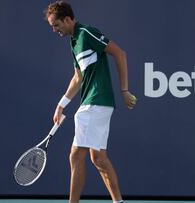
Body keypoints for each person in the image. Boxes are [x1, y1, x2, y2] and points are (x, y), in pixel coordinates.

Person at [44, 1, 136, 203]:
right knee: (99, 159)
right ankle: (118, 201)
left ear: (68, 19)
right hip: (94, 103)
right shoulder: (74, 41)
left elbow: (119, 53)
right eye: (52, 26)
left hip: (96, 102)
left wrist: (124, 90)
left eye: (56, 24)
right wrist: (61, 105)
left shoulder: (86, 33)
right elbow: (78, 78)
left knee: (75, 156)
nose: (54, 30)